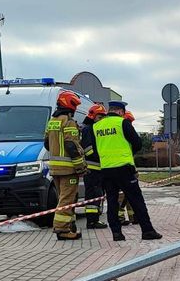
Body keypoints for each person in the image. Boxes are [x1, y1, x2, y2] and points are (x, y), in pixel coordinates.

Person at [93, 101, 161, 241]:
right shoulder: (122, 123)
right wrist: (128, 152)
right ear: (120, 111)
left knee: (112, 202)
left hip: (106, 169)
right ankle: (147, 230)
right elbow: (138, 143)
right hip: (124, 168)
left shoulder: (97, 126)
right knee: (136, 199)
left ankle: (116, 233)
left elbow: (95, 148)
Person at [44, 90, 87, 240]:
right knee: (67, 199)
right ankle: (62, 229)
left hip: (54, 169)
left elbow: (46, 144)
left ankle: (69, 226)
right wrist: (80, 166)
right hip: (68, 169)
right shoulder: (68, 122)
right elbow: (71, 146)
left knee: (63, 198)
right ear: (71, 105)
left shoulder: (52, 122)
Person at [79, 103, 107, 229]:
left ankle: (93, 220)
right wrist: (101, 156)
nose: (102, 120)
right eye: (100, 117)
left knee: (96, 195)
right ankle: (92, 221)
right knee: (93, 195)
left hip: (97, 168)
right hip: (92, 168)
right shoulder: (88, 129)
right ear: (93, 116)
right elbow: (88, 149)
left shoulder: (92, 128)